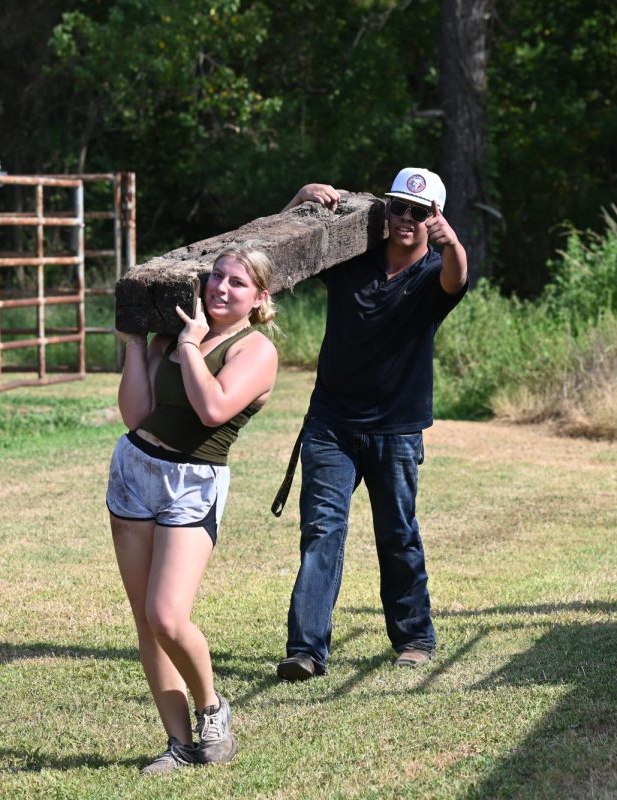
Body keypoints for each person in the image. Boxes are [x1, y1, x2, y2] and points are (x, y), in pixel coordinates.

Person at [273, 167, 468, 680]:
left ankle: (415, 638)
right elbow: (284, 258)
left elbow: (457, 279)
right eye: (398, 207)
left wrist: (453, 245)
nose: (405, 218)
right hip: (331, 424)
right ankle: (306, 650)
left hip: (397, 430)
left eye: (418, 212)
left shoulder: (432, 275)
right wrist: (300, 199)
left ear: (434, 218)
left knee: (397, 532)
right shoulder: (352, 259)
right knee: (321, 531)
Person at [108, 246, 279, 773]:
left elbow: (212, 409)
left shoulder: (255, 351)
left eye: (238, 284)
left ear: (258, 299)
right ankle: (181, 744)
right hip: (135, 471)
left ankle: (212, 709)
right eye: (217, 278)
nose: (221, 289)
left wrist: (188, 347)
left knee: (167, 614)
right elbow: (137, 413)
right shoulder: (174, 333)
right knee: (146, 622)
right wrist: (138, 344)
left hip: (193, 483)